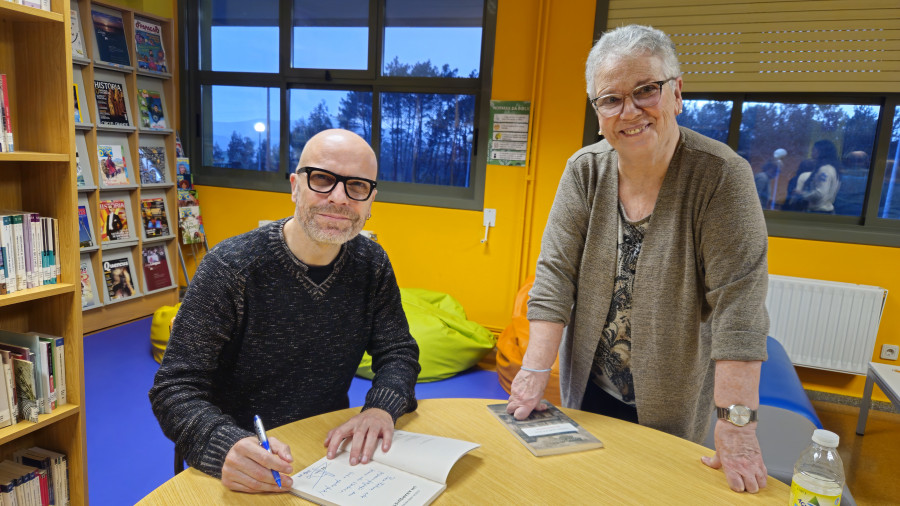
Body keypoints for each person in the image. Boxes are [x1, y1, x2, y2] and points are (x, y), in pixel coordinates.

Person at [506, 25, 770, 494]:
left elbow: (739, 305)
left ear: (676, 93)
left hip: (672, 394)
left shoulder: (722, 175)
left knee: (654, 493)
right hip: (588, 384)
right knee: (582, 489)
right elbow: (554, 275)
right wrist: (533, 370)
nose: (629, 111)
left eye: (645, 90)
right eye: (611, 99)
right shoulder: (584, 170)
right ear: (598, 110)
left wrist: (737, 423)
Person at [149, 129, 421, 493]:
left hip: (326, 452)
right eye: (322, 179)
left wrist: (380, 407)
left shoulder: (372, 264)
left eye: (357, 186)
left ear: (371, 200)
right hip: (240, 462)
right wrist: (223, 443)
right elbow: (174, 388)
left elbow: (398, 351)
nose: (339, 198)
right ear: (295, 186)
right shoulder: (230, 268)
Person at [796, 139, 841, 213]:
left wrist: (802, 194)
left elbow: (820, 193)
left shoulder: (825, 170)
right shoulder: (830, 168)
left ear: (821, 152)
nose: (812, 151)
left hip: (819, 211)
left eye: (814, 149)